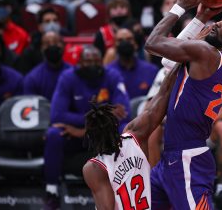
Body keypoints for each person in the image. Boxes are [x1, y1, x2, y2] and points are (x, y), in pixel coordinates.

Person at [144, 0, 222, 209]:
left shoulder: (207, 54)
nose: (216, 23)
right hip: (172, 157)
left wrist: (181, 5)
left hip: (187, 158)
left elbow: (153, 43)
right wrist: (199, 19)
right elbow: (168, 62)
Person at [43, 45, 130, 209]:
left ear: (102, 62)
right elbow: (57, 115)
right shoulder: (67, 77)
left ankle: (124, 187)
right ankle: (51, 191)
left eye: (96, 61)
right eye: (87, 61)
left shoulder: (112, 76)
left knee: (125, 129)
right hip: (78, 139)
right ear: (79, 63)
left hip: (104, 136)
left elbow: (124, 112)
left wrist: (82, 128)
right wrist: (100, 116)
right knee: (54, 133)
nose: (92, 65)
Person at [83, 65, 177, 210]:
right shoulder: (135, 136)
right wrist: (178, 65)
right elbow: (161, 98)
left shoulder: (94, 167)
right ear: (115, 126)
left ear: (91, 137)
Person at [106, 28, 159, 99]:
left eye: (129, 39)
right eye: (120, 40)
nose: (125, 43)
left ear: (135, 44)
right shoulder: (108, 73)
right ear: (115, 46)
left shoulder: (152, 70)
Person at [23, 31, 70, 101]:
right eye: (47, 44)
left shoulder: (75, 74)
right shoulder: (32, 78)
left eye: (56, 42)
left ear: (64, 45)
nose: (52, 46)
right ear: (41, 49)